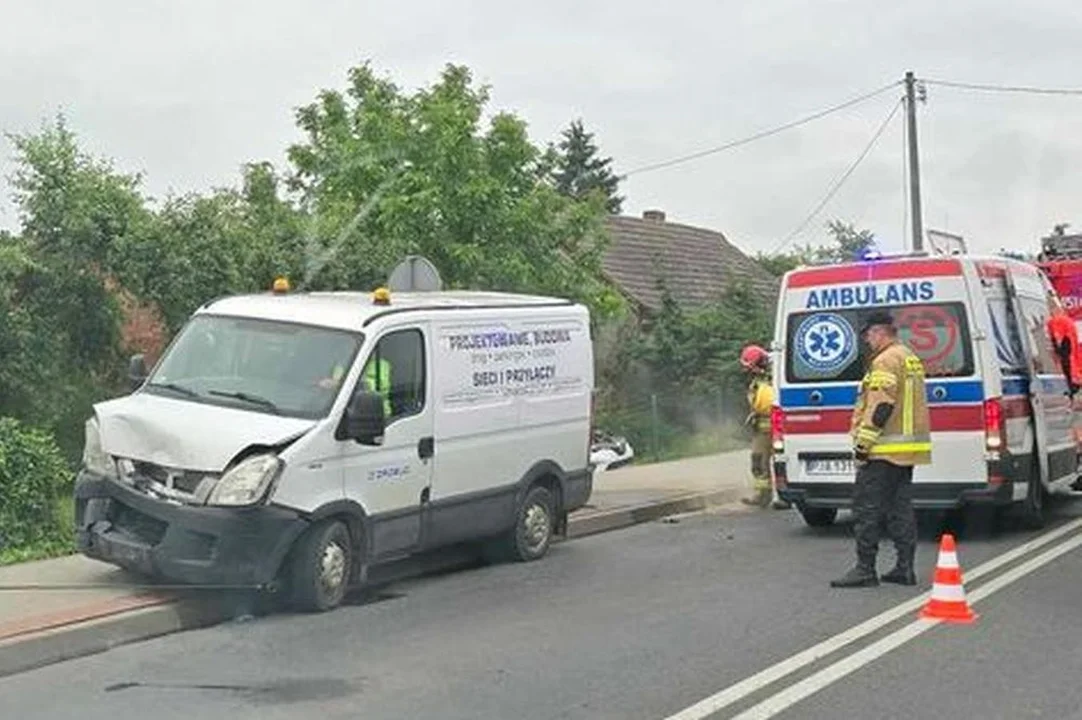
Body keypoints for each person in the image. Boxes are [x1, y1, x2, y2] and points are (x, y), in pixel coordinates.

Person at [831, 310, 931, 588]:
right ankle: (904, 567)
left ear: (879, 331)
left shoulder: (885, 361)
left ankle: (865, 569)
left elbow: (881, 406)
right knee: (901, 509)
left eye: (868, 335)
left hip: (882, 450)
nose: (867, 341)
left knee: (866, 509)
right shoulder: (908, 356)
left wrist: (863, 445)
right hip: (905, 451)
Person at [738, 345, 788, 509]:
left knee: (781, 462)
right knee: (758, 461)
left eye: (748, 366)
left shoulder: (776, 375)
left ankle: (785, 497)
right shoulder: (755, 382)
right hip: (762, 430)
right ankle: (762, 496)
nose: (745, 370)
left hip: (779, 427)